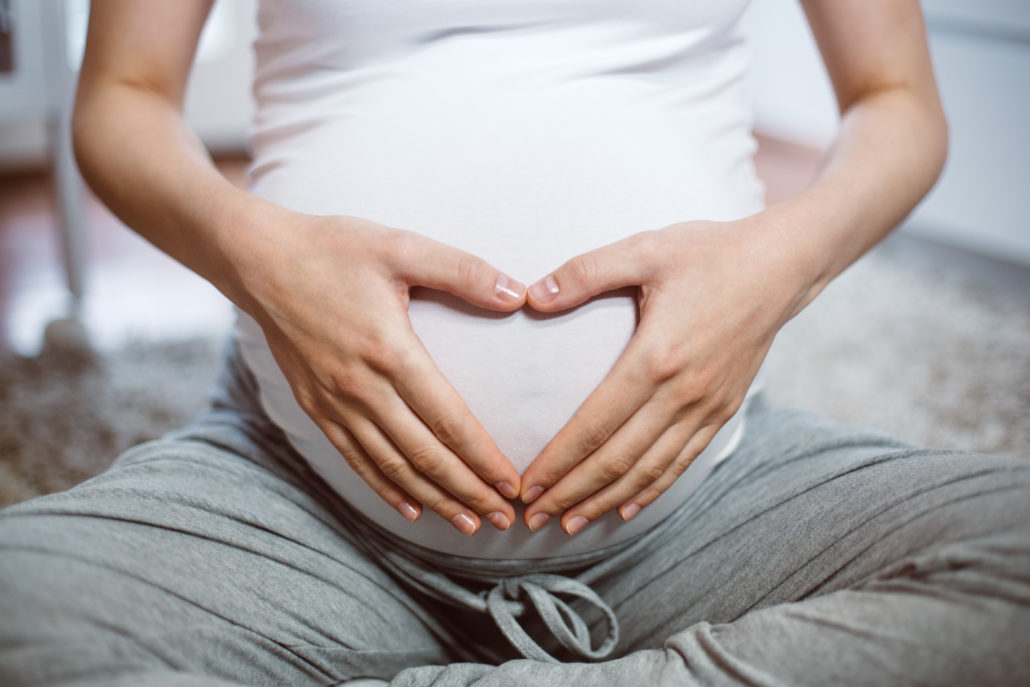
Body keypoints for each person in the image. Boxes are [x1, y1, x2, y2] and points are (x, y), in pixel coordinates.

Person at [1, 0, 1028, 684]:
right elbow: (122, 102)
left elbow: (897, 107)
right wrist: (261, 255)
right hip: (297, 503)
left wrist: (773, 269)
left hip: (706, 506)